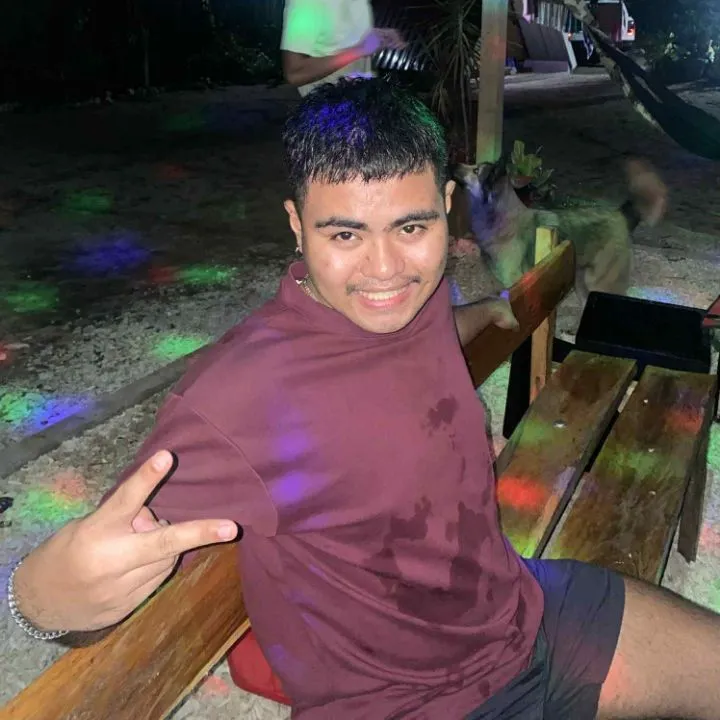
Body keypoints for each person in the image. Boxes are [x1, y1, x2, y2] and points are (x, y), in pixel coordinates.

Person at [10, 78, 720, 719]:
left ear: (446, 210)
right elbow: (81, 583)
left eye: (411, 227)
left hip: (529, 612)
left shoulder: (421, 295)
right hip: (417, 704)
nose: (384, 271)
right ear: (296, 224)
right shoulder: (240, 402)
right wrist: (49, 595)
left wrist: (485, 311)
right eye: (345, 233)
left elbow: (428, 331)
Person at [280, 0, 406, 96]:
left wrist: (378, 36)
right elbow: (295, 73)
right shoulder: (306, 3)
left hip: (361, 100)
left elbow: (336, 36)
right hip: (327, 109)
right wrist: (359, 50)